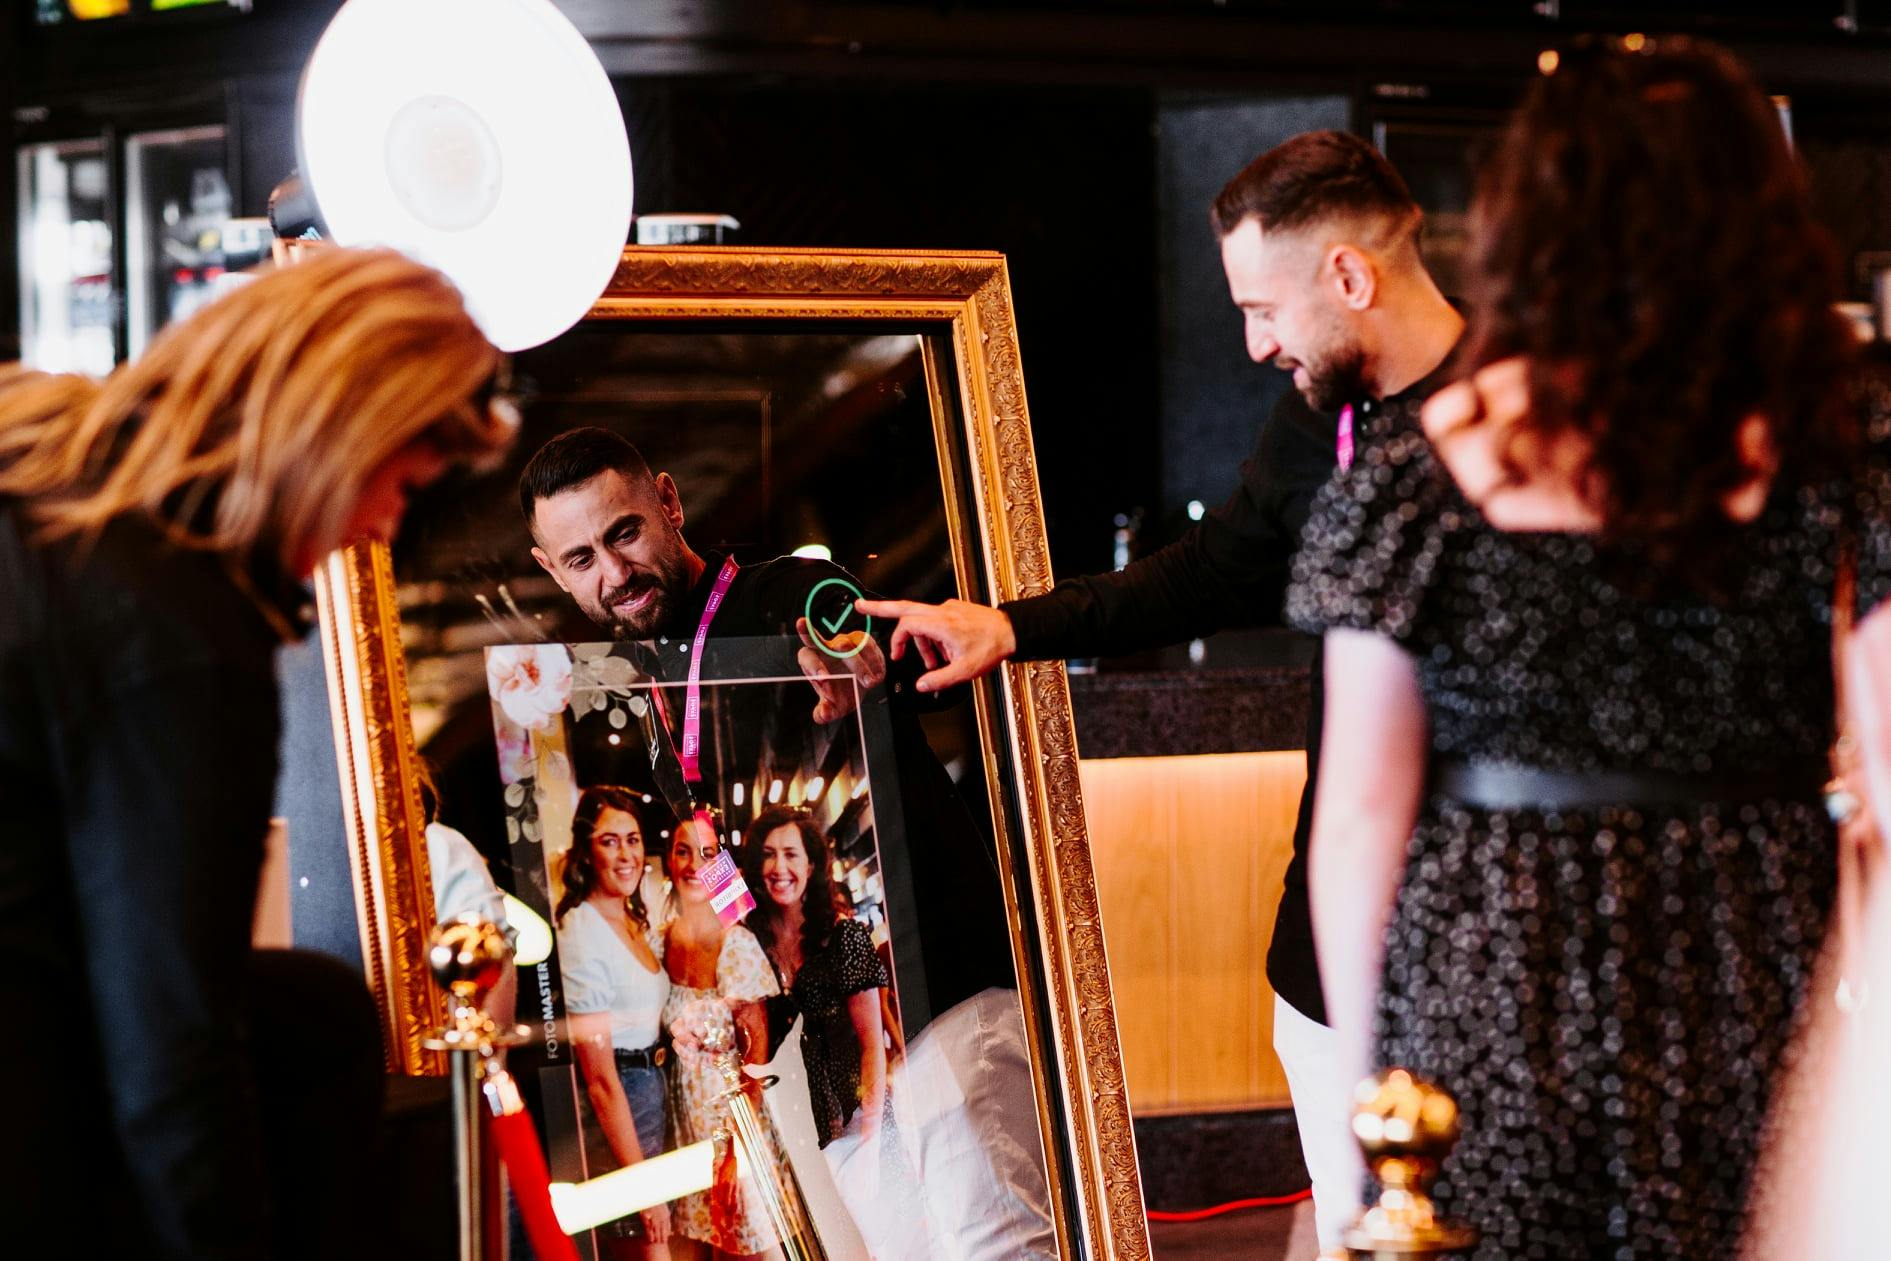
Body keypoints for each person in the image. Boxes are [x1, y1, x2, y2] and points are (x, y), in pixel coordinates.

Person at [1286, 38, 1864, 1257]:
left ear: (1527, 223)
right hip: (1745, 962)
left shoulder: (1410, 482)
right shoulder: (1821, 468)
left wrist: (1361, 1127)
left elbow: (1356, 825)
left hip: (1488, 976)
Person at [853, 129, 1463, 1251]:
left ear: (1348, 276)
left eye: (1262, 308)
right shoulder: (1310, 422)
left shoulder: (1525, 425)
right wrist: (1010, 624)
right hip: (1327, 957)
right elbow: (1209, 573)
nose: (1251, 343)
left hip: (1492, 944)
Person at [0, 247, 513, 1258]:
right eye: (398, 486)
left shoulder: (51, 459)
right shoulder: (179, 625)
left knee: (307, 1017)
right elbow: (174, 1045)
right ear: (332, 436)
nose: (381, 526)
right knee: (306, 1032)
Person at [519, 426, 1056, 1256]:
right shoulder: (654, 689)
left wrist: (851, 658)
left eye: (623, 532)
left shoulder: (779, 597)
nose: (614, 572)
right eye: (582, 556)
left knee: (1001, 1246)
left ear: (668, 500)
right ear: (551, 569)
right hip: (835, 1033)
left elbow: (835, 618)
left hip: (933, 992)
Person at [554, 786, 675, 1257]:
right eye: (610, 841)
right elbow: (600, 1078)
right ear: (586, 849)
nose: (626, 854)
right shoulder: (583, 931)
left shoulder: (628, 918)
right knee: (650, 1248)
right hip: (623, 1102)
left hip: (651, 1089)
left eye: (633, 839)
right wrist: (643, 1188)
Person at [659, 812, 780, 1259]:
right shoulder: (660, 939)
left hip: (730, 1135)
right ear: (669, 861)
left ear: (722, 865)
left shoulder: (737, 944)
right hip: (684, 1137)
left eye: (707, 853)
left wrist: (735, 1154)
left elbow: (757, 1063)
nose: (694, 864)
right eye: (683, 850)